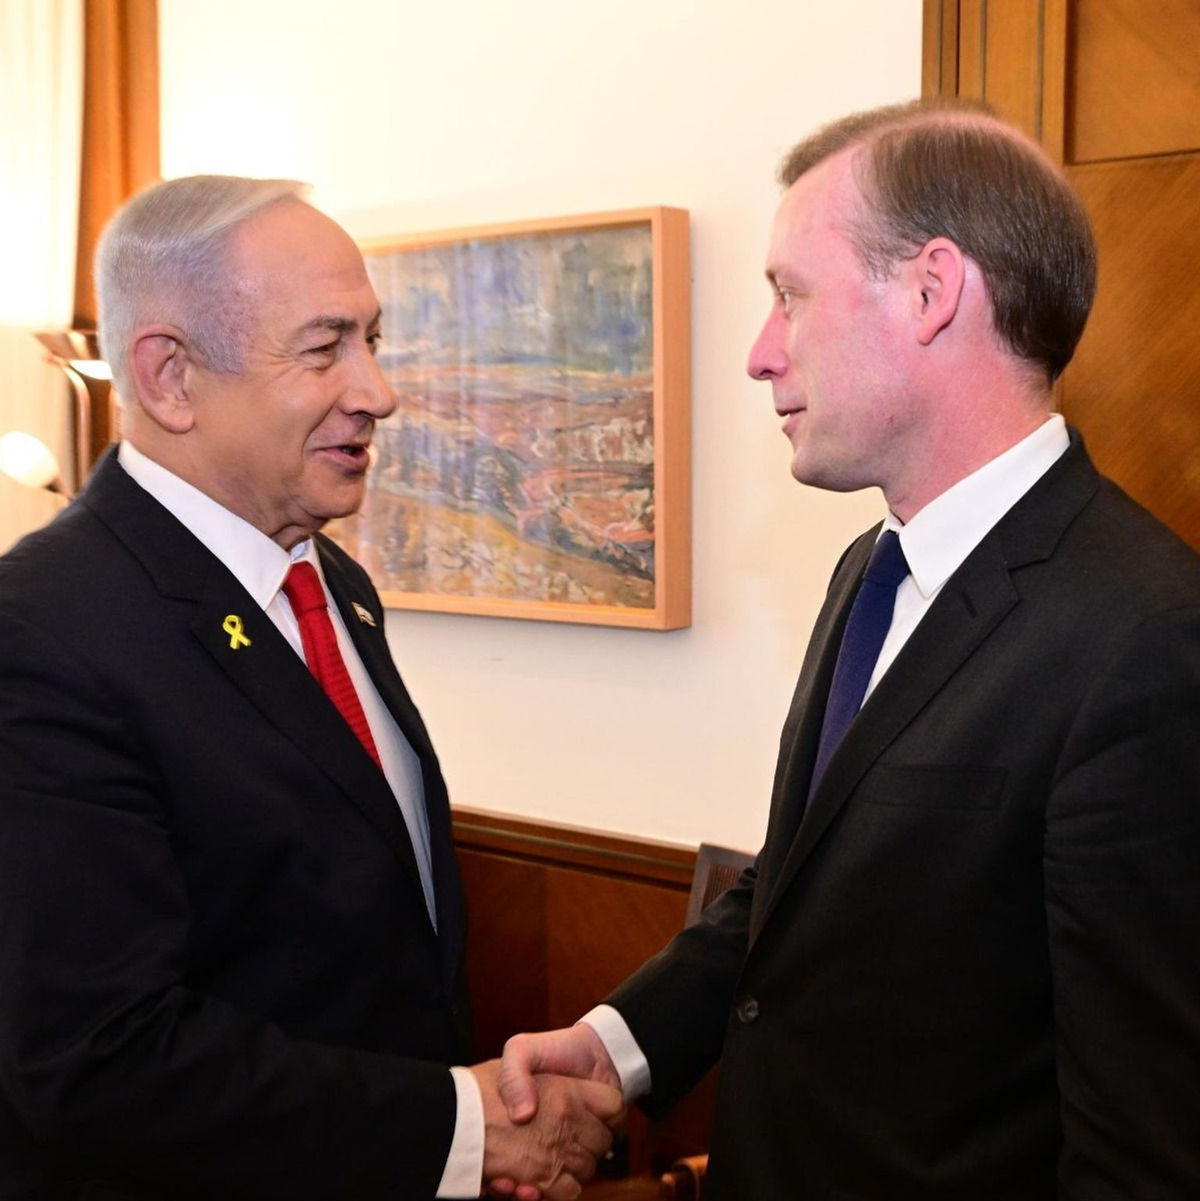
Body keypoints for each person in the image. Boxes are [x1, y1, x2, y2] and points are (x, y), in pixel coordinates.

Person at [494, 99, 1200, 1200]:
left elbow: (1144, 1141)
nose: (759, 352)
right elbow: (805, 889)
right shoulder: (870, 571)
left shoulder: (1146, 636)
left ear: (930, 292)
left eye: (789, 295)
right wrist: (622, 1045)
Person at [0, 175, 621, 1201]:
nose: (377, 390)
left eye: (373, 340)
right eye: (326, 347)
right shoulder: (41, 631)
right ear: (169, 377)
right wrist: (467, 1130)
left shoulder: (334, 585)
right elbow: (98, 1056)